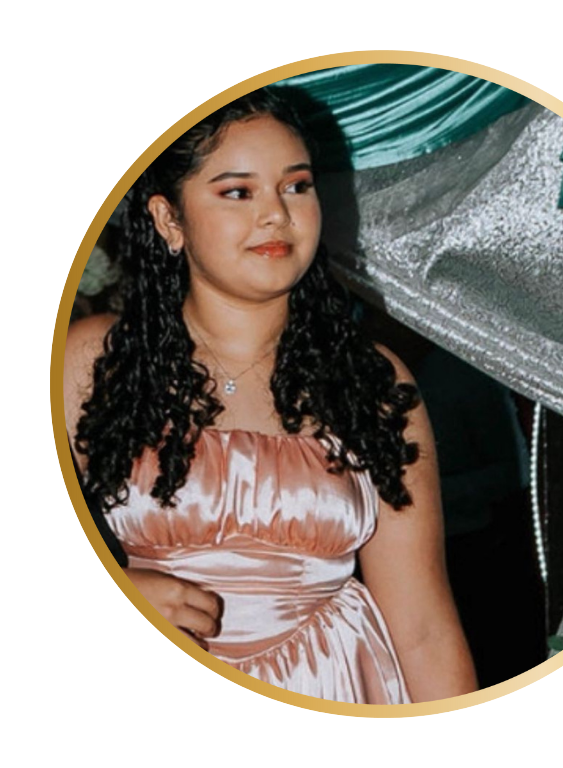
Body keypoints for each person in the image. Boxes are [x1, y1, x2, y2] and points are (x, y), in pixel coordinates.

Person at [63, 88, 477, 704]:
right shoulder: (93, 360)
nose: (276, 215)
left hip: (339, 687)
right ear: (169, 219)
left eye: (296, 186)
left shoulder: (371, 381)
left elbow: (422, 628)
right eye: (238, 192)